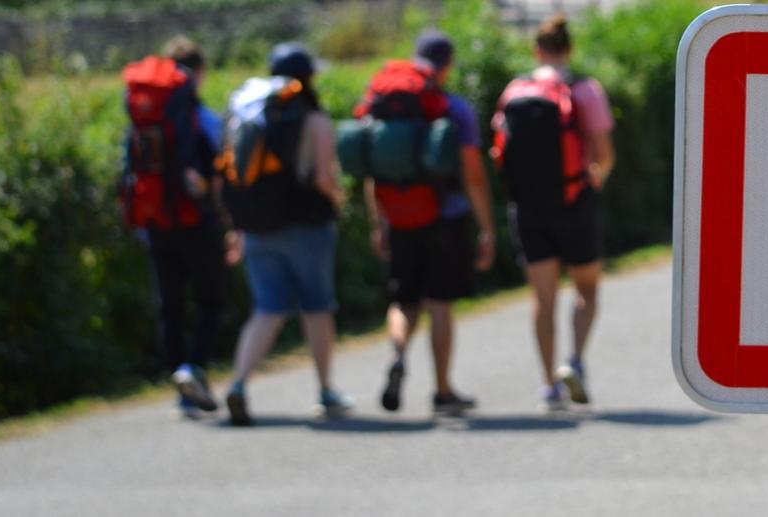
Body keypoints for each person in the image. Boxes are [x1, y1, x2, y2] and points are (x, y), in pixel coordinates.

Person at [364, 30, 498, 415]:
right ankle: (442, 391)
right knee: (440, 303)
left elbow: (375, 171)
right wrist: (486, 227)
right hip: (446, 216)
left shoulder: (384, 103)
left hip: (401, 215)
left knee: (404, 299)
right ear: (447, 65)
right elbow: (472, 174)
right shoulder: (453, 109)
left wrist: (380, 222)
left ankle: (398, 352)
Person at [220, 43, 351, 426]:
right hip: (308, 228)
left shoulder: (250, 115)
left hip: (258, 227)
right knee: (317, 306)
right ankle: (325, 391)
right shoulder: (315, 120)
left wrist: (238, 227)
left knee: (267, 309)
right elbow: (324, 177)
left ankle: (240, 383)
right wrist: (340, 199)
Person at [492, 14, 615, 411]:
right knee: (587, 288)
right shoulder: (584, 90)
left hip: (527, 207)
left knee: (542, 299)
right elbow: (604, 154)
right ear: (569, 49)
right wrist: (594, 179)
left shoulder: (515, 91)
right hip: (574, 200)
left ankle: (548, 386)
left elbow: (499, 150)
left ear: (537, 50)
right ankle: (575, 361)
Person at [128, 36, 226, 418]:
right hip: (196, 220)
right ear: (198, 73)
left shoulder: (144, 113)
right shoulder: (201, 118)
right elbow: (220, 171)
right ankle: (194, 368)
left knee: (169, 306)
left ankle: (180, 388)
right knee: (211, 301)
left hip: (156, 221)